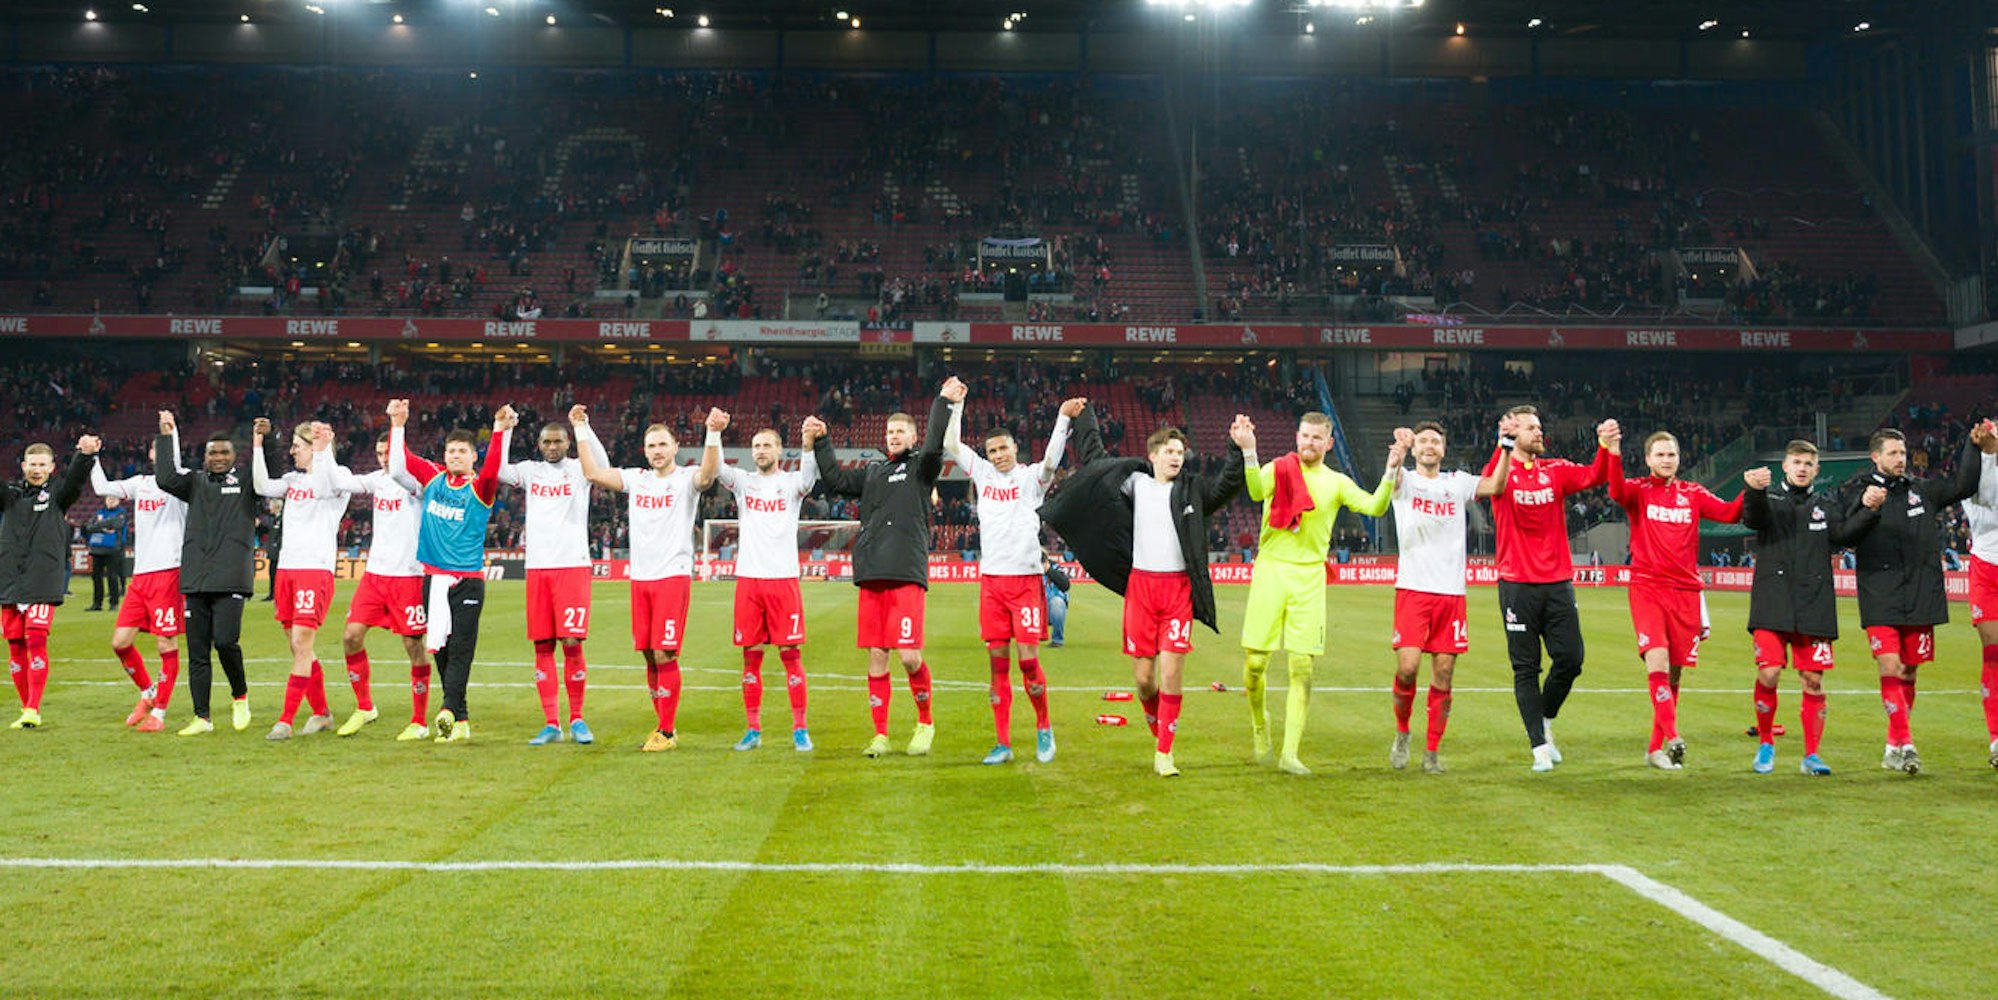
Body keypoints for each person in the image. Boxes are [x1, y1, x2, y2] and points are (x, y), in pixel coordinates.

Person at [1040, 406, 1250, 777]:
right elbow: (1095, 461)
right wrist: (1084, 416)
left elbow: (1226, 486)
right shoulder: (1133, 483)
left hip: (1177, 592)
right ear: (1152, 456)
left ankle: (1164, 752)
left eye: (1180, 452)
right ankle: (1159, 729)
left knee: (1171, 673)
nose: (1176, 457)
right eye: (1169, 451)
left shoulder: (1193, 490)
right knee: (1143, 679)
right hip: (1142, 589)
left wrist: (1238, 449)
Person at [1240, 411, 1405, 776]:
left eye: (1317, 438)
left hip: (1310, 576)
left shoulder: (1337, 482)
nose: (1309, 443)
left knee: (1302, 666)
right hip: (1270, 569)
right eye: (1305, 436)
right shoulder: (1279, 468)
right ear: (1296, 437)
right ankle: (1258, 720)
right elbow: (1253, 491)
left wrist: (1391, 468)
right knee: (1255, 665)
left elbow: (1375, 507)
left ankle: (1290, 753)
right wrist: (1249, 452)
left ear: (1329, 443)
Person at [940, 381, 1082, 765]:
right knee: (997, 664)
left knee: (1028, 661)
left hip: (1024, 583)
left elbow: (1052, 461)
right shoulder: (983, 475)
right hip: (992, 583)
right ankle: (1002, 742)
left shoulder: (1031, 478)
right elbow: (952, 446)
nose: (998, 455)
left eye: (1003, 448)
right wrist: (956, 405)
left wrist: (1062, 420)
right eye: (992, 450)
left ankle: (1043, 728)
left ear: (1015, 448)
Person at [807, 383, 952, 759]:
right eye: (889, 432)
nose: (893, 436)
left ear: (914, 436)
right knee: (876, 655)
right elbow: (836, 481)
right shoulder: (872, 472)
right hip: (872, 573)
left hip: (906, 572)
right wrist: (822, 440)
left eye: (900, 431)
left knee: (908, 655)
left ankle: (924, 722)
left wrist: (942, 401)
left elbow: (936, 445)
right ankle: (881, 734)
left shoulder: (923, 467)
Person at [1841, 424, 1988, 775]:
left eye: (1903, 453)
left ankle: (1893, 744)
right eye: (1893, 453)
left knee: (1909, 670)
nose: (1900, 459)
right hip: (1879, 593)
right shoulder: (1856, 491)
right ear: (1875, 457)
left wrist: (1971, 445)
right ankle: (1907, 744)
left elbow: (1964, 485)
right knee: (1889, 666)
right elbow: (1842, 535)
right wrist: (1865, 508)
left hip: (1920, 593)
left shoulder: (1921, 491)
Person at [576, 406, 724, 752]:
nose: (657, 451)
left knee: (663, 654)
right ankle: (661, 726)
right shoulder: (637, 479)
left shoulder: (686, 479)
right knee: (647, 653)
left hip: (672, 576)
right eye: (651, 446)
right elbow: (594, 473)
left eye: (662, 445)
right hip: (640, 578)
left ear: (675, 447)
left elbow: (707, 476)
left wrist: (713, 433)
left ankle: (668, 731)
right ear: (645, 451)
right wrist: (581, 428)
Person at [1483, 405, 1620, 772]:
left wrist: (1605, 445)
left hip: (1557, 582)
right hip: (1516, 585)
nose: (1540, 432)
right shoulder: (1501, 471)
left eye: (1540, 426)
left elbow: (1595, 475)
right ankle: (1539, 747)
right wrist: (1504, 444)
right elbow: (1491, 482)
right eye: (1531, 428)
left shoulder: (1555, 470)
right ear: (1515, 434)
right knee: (1526, 668)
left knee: (1571, 659)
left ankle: (1544, 718)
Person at [1606, 430, 1749, 770]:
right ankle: (1674, 737)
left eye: (1671, 454)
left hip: (1686, 593)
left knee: (1674, 675)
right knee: (1656, 660)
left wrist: (1750, 490)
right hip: (1648, 588)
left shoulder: (1693, 493)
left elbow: (1730, 514)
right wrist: (1611, 451)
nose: (1666, 460)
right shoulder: (1639, 492)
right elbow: (1615, 490)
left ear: (1678, 458)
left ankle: (1655, 749)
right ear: (1648, 459)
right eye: (1660, 455)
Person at [1387, 420, 1511, 773]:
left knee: (1443, 673)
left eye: (1435, 442)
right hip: (1412, 589)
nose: (1429, 446)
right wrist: (1396, 452)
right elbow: (1390, 480)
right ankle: (1402, 732)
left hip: (1451, 593)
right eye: (1423, 441)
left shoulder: (1456, 483)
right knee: (1408, 668)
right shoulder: (1405, 481)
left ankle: (1431, 752)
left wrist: (1504, 446)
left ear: (1443, 449)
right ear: (1415, 449)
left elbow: (1495, 485)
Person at [389, 398, 515, 744]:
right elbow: (399, 465)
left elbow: (492, 469)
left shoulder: (481, 488)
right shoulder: (432, 479)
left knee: (460, 648)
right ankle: (460, 719)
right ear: (444, 456)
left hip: (468, 582)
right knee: (441, 651)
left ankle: (446, 709)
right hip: (433, 580)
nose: (456, 455)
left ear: (473, 456)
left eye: (463, 451)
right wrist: (398, 423)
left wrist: (501, 430)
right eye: (451, 451)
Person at [1740, 441, 1868, 776]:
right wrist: (1753, 490)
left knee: (1813, 680)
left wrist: (1868, 510)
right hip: (1773, 601)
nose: (1802, 468)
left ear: (1816, 469)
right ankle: (1766, 743)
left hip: (1814, 604)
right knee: (1769, 672)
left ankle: (1812, 755)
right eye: (1796, 462)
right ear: (1784, 465)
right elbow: (1752, 519)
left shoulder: (1825, 505)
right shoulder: (1770, 500)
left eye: (1808, 464)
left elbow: (1843, 536)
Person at [500, 408, 609, 746]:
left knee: (572, 642)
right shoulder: (530, 472)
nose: (551, 446)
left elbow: (603, 466)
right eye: (546, 441)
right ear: (539, 444)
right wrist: (503, 430)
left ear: (567, 443)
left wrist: (584, 427)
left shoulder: (580, 469)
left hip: (572, 566)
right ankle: (552, 722)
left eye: (557, 441)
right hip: (538, 568)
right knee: (542, 644)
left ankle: (577, 718)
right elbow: (500, 469)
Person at [713, 420, 822, 752]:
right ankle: (753, 728)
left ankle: (800, 728)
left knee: (790, 654)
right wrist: (714, 432)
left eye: (766, 446)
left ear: (778, 450)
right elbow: (717, 468)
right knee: (751, 657)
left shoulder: (790, 484)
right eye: (756, 447)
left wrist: (806, 442)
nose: (760, 451)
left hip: (783, 580)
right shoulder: (744, 483)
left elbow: (809, 476)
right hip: (749, 580)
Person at [153, 412, 259, 735]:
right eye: (212, 453)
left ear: (234, 456)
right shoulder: (195, 483)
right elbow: (165, 477)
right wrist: (168, 436)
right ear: (204, 456)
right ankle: (202, 717)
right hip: (196, 577)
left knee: (226, 641)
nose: (218, 458)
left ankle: (239, 695)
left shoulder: (246, 483)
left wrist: (265, 442)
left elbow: (273, 473)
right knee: (197, 651)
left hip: (231, 578)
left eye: (224, 452)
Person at [325, 431, 432, 739]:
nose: (384, 458)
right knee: (350, 636)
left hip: (409, 576)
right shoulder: (377, 480)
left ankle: (419, 721)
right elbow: (341, 481)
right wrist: (323, 450)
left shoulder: (416, 482)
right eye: (380, 453)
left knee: (413, 645)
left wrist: (398, 426)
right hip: (375, 575)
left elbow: (403, 473)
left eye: (389, 452)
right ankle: (365, 706)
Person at [252, 419, 354, 741]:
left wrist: (324, 450)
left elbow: (326, 483)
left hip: (314, 569)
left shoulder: (339, 478)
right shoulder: (292, 480)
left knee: (301, 645)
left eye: (298, 444)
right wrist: (257, 444)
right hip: (287, 570)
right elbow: (261, 486)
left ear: (313, 447)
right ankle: (322, 713)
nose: (292, 450)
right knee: (297, 646)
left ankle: (285, 720)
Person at [93, 431, 188, 732]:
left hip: (169, 572)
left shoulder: (184, 483)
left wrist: (170, 431)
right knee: (120, 642)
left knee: (165, 643)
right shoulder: (140, 484)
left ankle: (159, 713)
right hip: (141, 576)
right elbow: (100, 487)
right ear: (150, 455)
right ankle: (148, 692)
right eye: (155, 449)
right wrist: (92, 455)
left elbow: (175, 465)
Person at [1, 434, 97, 729]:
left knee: (36, 639)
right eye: (32, 464)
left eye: (42, 464)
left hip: (42, 581)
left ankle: (33, 707)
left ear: (52, 467)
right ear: (23, 465)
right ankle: (25, 708)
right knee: (15, 646)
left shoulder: (58, 495)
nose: (37, 469)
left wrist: (84, 455)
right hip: (10, 581)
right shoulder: (11, 495)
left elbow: (76, 482)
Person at [1961, 427, 1998, 769]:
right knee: (1994, 654)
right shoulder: (1969, 478)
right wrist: (1987, 454)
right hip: (1987, 569)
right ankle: (1997, 738)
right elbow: (1988, 496)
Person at [85, 495, 129, 612]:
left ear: (118, 501)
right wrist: (105, 525)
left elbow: (117, 524)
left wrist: (99, 525)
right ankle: (97, 603)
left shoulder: (122, 513)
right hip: (97, 549)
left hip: (113, 549)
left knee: (112, 576)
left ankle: (113, 603)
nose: (110, 501)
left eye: (113, 499)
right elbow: (89, 527)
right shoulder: (99, 511)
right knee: (96, 577)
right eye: (109, 499)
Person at [1042, 552, 1070, 647]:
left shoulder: (1056, 568)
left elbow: (1065, 585)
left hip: (1050, 609)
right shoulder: (1028, 570)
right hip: (1034, 609)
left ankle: (1057, 640)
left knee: (1057, 602)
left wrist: (1049, 571)